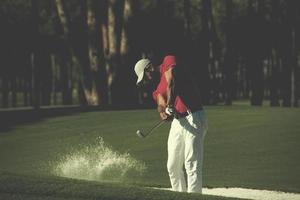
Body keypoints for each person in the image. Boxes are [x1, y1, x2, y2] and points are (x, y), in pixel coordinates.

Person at [134, 55, 208, 193]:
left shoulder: (168, 61)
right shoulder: (156, 89)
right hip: (178, 122)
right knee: (172, 166)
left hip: (194, 116)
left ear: (149, 67)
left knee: (191, 163)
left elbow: (172, 82)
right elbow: (160, 102)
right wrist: (163, 112)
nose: (146, 80)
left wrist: (170, 104)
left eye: (145, 76)